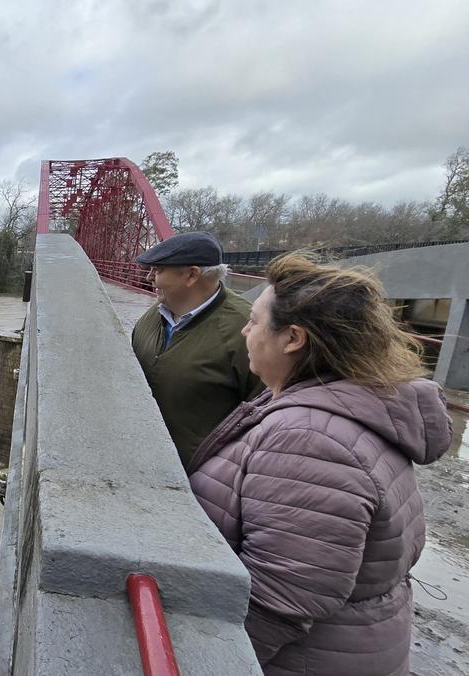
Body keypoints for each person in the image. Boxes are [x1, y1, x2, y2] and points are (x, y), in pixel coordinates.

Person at [188, 254, 452, 676]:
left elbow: (280, 598)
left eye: (254, 321)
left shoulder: (310, 438)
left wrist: (204, 662)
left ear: (292, 338)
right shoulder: (347, 404)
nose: (244, 330)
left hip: (304, 659)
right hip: (353, 644)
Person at [131, 231, 262, 466]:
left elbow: (261, 414)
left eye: (158, 270)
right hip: (142, 459)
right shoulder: (155, 313)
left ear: (192, 275)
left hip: (200, 479)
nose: (150, 277)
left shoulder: (245, 329)